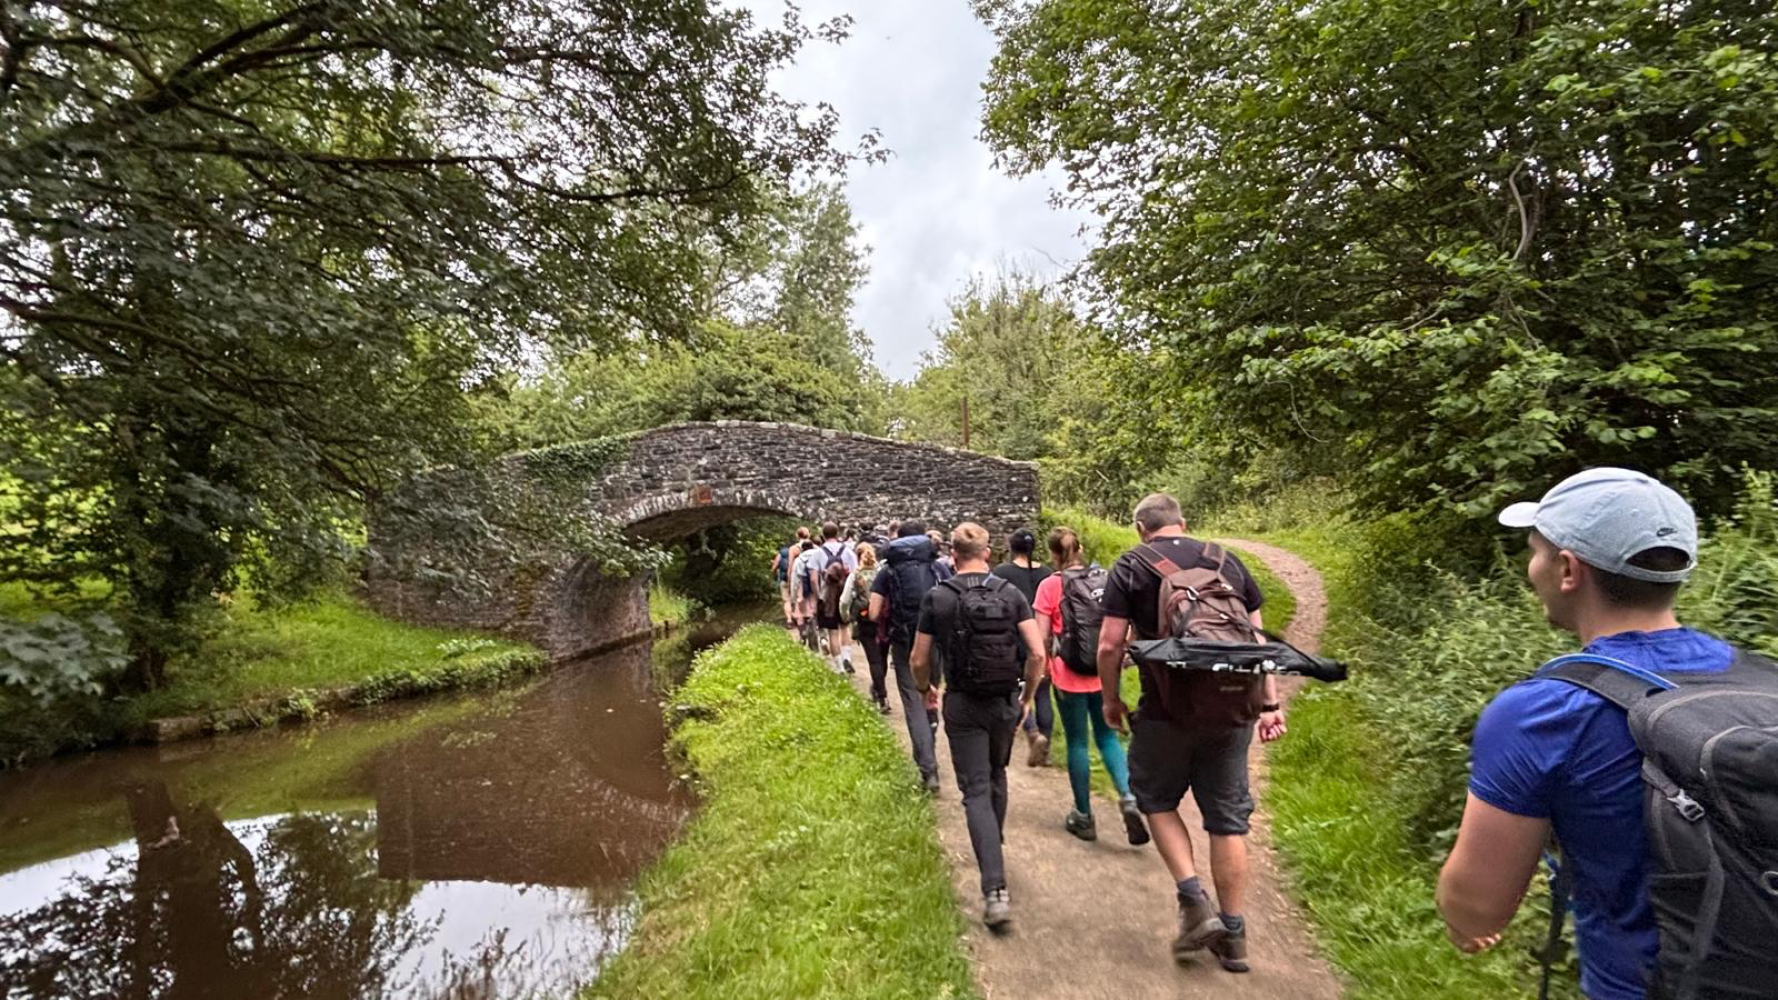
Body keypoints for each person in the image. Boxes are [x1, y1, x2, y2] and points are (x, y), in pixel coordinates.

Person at [1438, 469, 1777, 1000]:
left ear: (1568, 569)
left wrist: (1462, 918)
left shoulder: (1545, 712)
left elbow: (1475, 907)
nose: (1531, 569)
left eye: (1535, 551)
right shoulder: (1762, 678)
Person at [1097, 492, 1282, 973]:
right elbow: (1259, 641)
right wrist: (1269, 703)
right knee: (1227, 820)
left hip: (1167, 711)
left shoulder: (1131, 565)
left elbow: (1110, 643)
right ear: (1183, 522)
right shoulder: (1226, 560)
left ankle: (1193, 899)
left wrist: (1111, 699)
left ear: (1142, 528)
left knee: (1155, 800)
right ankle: (1235, 937)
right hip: (1232, 710)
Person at [912, 522, 1048, 930]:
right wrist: (1026, 700)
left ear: (952, 555)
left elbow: (919, 660)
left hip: (963, 705)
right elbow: (1037, 654)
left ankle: (994, 890)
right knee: (996, 776)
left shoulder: (937, 597)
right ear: (988, 553)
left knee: (974, 790)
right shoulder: (1010, 593)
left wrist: (926, 690)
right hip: (1005, 701)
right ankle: (995, 843)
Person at [1033, 526, 1149, 846]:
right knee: (1108, 735)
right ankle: (1127, 796)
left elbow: (1042, 638)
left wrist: (1042, 670)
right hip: (1104, 672)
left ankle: (1083, 816)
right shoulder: (1107, 578)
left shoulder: (1049, 586)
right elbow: (1126, 624)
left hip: (1067, 673)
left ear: (1054, 555)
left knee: (1077, 743)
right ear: (1080, 547)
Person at [869, 519, 944, 793]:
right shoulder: (937, 566)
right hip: (935, 641)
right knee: (931, 695)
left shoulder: (887, 571)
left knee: (913, 703)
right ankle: (931, 742)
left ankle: (928, 769)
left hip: (903, 643)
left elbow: (875, 612)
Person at [994, 528, 1055, 766]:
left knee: (1020, 690)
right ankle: (1046, 747)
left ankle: (1031, 731)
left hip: (1015, 637)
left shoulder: (1002, 573)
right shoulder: (1047, 573)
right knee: (1043, 693)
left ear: (1012, 547)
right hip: (1043, 637)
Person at [841, 543, 891, 714]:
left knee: (874, 660)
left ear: (858, 556)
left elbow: (845, 600)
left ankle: (882, 696)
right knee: (882, 657)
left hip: (865, 620)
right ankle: (878, 689)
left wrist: (846, 617)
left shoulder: (855, 576)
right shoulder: (883, 573)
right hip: (884, 621)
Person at [812, 521, 858, 673]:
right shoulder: (848, 551)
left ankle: (839, 668)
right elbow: (855, 573)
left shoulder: (817, 553)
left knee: (833, 631)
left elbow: (813, 578)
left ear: (823, 535)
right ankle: (847, 658)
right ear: (837, 534)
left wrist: (818, 596)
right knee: (845, 627)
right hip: (845, 594)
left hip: (827, 597)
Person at [774, 527, 811, 633]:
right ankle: (806, 619)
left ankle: (790, 620)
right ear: (808, 534)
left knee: (787, 600)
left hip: (796, 576)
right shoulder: (813, 546)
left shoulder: (793, 548)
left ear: (797, 535)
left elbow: (790, 565)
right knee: (804, 598)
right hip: (808, 576)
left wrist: (789, 579)